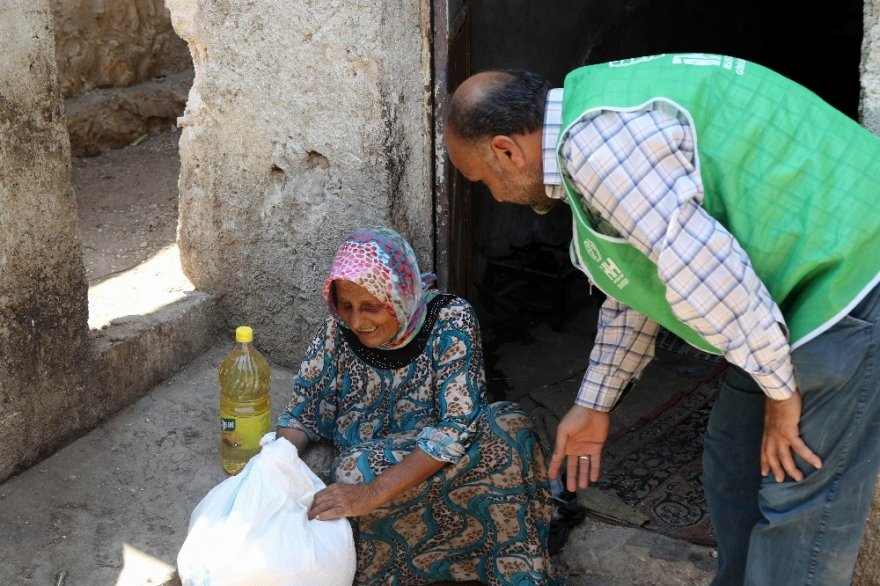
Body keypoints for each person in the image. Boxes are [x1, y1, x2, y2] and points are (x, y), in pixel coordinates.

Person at [444, 53, 880, 585]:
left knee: (798, 498)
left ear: (506, 150)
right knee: (734, 459)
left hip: (851, 274)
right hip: (782, 293)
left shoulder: (599, 149)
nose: (496, 196)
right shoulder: (589, 121)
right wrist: (594, 403)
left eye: (483, 180)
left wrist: (783, 396)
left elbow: (710, 275)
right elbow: (642, 277)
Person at [276, 226, 559, 586]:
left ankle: (502, 565)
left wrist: (372, 493)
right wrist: (272, 466)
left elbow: (456, 426)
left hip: (445, 463)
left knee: (510, 428)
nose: (357, 321)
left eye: (370, 307)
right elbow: (302, 412)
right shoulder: (336, 332)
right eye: (346, 306)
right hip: (375, 465)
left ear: (400, 295)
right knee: (352, 472)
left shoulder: (451, 319)